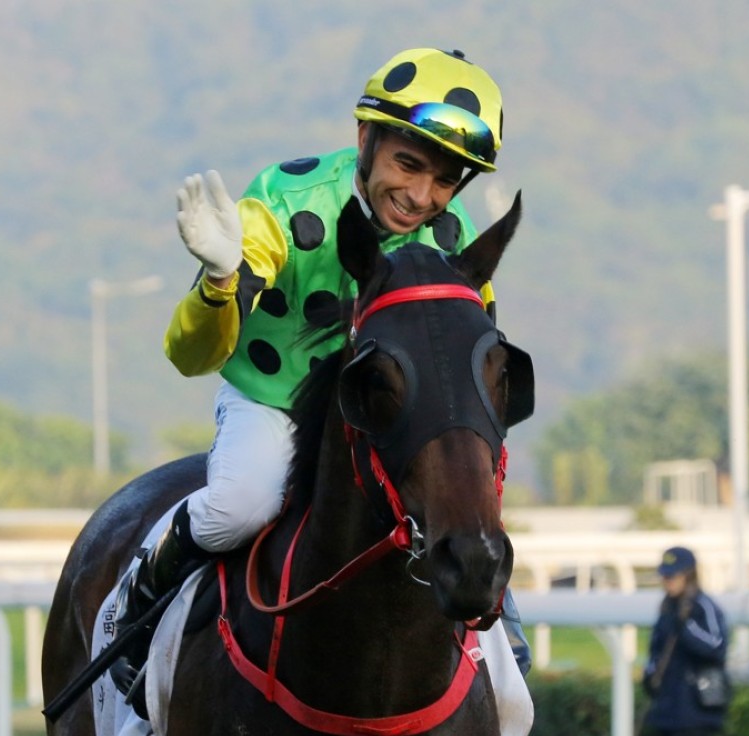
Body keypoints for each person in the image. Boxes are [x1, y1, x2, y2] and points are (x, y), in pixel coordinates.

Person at [109, 47, 531, 699]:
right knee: (238, 506)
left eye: (444, 181)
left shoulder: (453, 239)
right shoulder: (284, 200)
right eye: (408, 164)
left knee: (468, 532)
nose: (421, 196)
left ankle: (501, 642)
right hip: (274, 405)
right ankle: (136, 605)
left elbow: (470, 382)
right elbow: (190, 357)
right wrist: (221, 279)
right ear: (366, 138)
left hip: (388, 427)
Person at [642, 546, 730, 736]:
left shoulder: (704, 606)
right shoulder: (666, 608)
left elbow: (716, 646)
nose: (668, 581)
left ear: (689, 575)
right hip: (666, 710)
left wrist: (686, 627)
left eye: (673, 575)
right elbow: (656, 651)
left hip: (694, 711)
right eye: (665, 576)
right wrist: (650, 675)